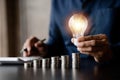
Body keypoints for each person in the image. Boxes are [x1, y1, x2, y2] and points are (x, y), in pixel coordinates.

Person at [21, 0, 120, 64]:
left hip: (110, 69)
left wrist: (110, 53)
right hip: (68, 69)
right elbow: (55, 42)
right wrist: (43, 49)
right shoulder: (58, 2)